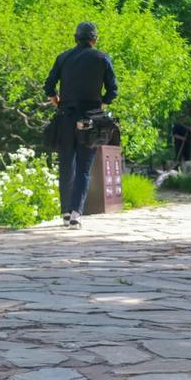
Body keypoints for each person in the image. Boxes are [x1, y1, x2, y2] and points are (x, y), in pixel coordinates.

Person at [44, 22, 118, 229]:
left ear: (75, 38)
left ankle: (66, 212)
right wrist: (101, 104)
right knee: (84, 167)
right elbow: (113, 90)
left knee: (67, 165)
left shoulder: (63, 57)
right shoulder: (102, 58)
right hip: (91, 119)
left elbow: (49, 86)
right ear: (95, 39)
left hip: (66, 117)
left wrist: (58, 102)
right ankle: (76, 213)